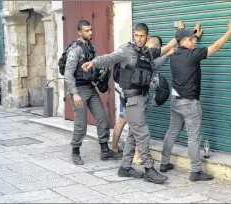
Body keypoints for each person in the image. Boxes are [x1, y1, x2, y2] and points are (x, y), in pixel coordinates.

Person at [82, 22, 180, 184]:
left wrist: (180, 35)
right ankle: (149, 169)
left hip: (141, 98)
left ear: (147, 36)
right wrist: (94, 62)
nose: (138, 39)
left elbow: (163, 53)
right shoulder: (126, 50)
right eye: (136, 35)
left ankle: (125, 167)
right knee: (143, 134)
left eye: (141, 36)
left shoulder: (147, 52)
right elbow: (110, 57)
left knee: (133, 135)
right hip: (132, 98)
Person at [160, 20, 231, 182]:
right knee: (193, 137)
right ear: (183, 41)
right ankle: (196, 171)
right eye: (191, 39)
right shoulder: (193, 55)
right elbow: (216, 46)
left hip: (175, 101)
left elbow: (185, 42)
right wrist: (229, 31)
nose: (194, 41)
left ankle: (164, 163)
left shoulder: (175, 54)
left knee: (171, 132)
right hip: (190, 104)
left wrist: (192, 35)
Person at [64, 20, 118, 165]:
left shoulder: (91, 47)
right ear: (79, 33)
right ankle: (75, 151)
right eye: (87, 31)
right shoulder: (75, 50)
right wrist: (74, 93)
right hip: (78, 90)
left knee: (102, 118)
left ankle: (105, 149)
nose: (90, 33)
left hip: (90, 87)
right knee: (81, 124)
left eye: (91, 30)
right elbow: (68, 73)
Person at [111, 36, 165, 159]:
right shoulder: (146, 55)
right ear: (157, 46)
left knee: (127, 122)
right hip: (132, 94)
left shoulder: (138, 52)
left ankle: (116, 149)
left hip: (125, 92)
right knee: (131, 122)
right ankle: (136, 156)